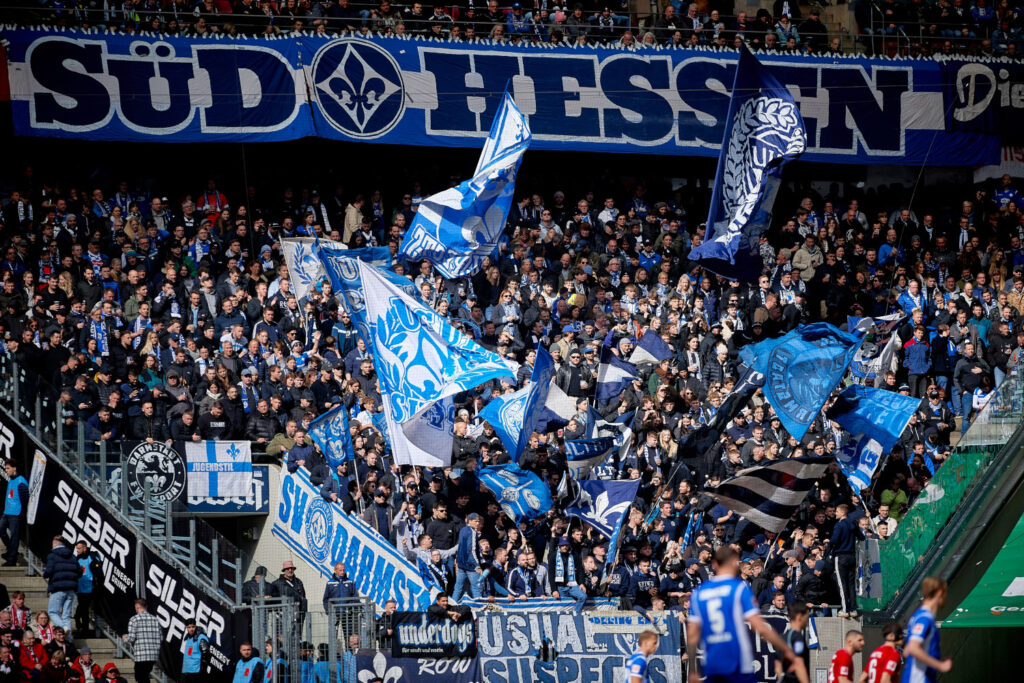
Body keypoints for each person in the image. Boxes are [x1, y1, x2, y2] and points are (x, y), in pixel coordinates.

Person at [687, 547, 794, 683]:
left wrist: (692, 670)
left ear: (714, 565)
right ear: (735, 563)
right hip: (737, 664)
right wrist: (786, 649)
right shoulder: (738, 588)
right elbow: (760, 627)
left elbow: (692, 635)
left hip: (713, 664)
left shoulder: (699, 593)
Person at [902, 578, 953, 683]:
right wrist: (940, 665)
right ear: (940, 593)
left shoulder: (917, 616)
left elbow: (906, 651)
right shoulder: (925, 618)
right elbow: (912, 648)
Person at [122, 599, 162, 683]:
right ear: (146, 607)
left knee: (140, 677)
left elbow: (131, 638)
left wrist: (125, 638)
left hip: (141, 655)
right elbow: (161, 638)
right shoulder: (155, 619)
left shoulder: (134, 619)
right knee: (145, 676)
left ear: (137, 608)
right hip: (153, 655)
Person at [0, 460, 28, 566]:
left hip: (16, 513)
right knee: (1, 530)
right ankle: (11, 550)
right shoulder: (11, 480)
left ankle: (11, 559)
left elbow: (25, 499)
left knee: (14, 536)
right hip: (7, 512)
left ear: (14, 468)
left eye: (8, 468)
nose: (6, 471)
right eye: (6, 468)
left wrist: (22, 513)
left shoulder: (21, 481)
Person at [74, 541, 102, 638]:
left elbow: (98, 572)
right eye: (76, 548)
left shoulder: (92, 557)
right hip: (80, 589)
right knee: (83, 611)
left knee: (82, 611)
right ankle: (83, 629)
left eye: (79, 548)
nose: (77, 551)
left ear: (84, 548)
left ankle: (83, 630)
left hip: (90, 589)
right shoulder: (77, 559)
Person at [777, 603, 810, 683]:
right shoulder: (797, 637)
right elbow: (799, 664)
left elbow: (777, 667)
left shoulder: (782, 637)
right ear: (799, 617)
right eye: (807, 617)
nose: (807, 620)